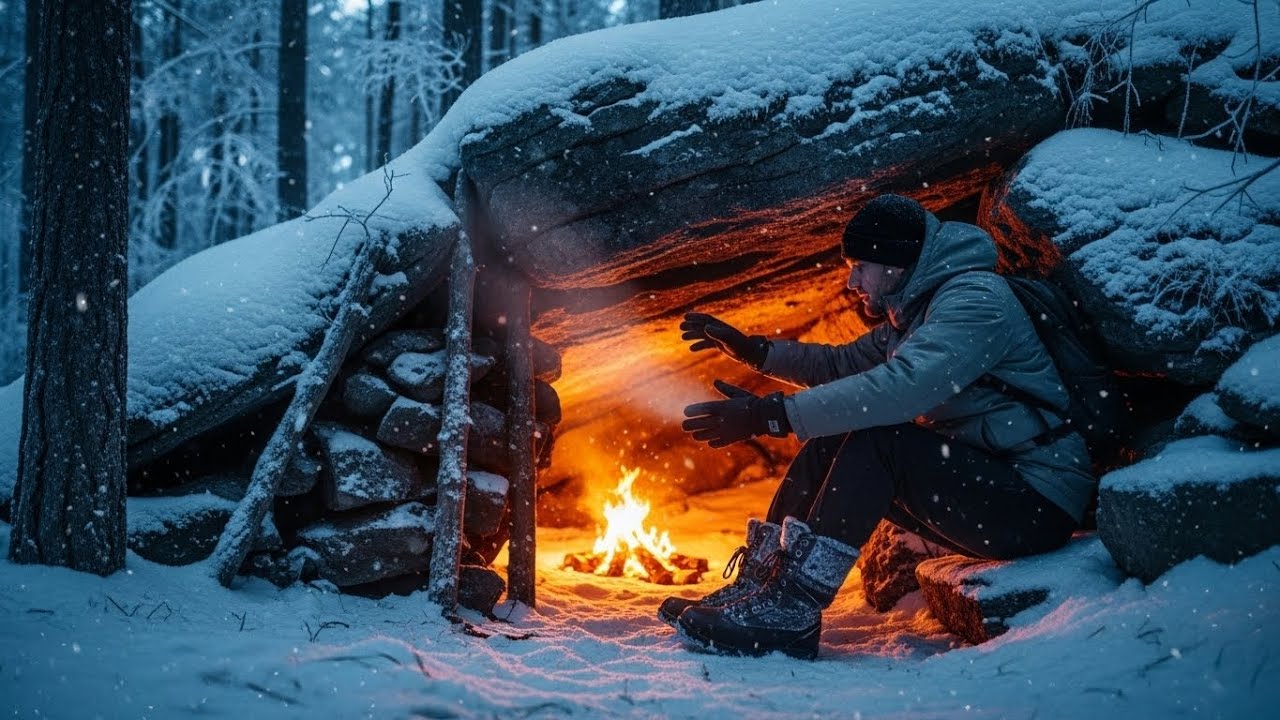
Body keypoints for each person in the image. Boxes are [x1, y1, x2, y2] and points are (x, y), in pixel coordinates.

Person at [661, 193, 1094, 660]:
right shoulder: (917, 309)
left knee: (880, 438)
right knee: (838, 436)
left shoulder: (973, 302)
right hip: (989, 486)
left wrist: (769, 415)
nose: (851, 281)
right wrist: (756, 352)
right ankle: (764, 588)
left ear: (894, 262)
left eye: (860, 265)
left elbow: (901, 389)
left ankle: (791, 611)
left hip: (1035, 503)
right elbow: (845, 364)